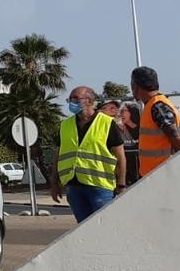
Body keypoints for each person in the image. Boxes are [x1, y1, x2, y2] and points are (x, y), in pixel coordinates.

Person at [51, 86, 126, 222]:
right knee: (83, 229)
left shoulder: (107, 123)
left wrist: (121, 184)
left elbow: (120, 156)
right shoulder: (65, 125)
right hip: (74, 187)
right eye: (70, 99)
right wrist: (54, 183)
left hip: (100, 187)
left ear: (90, 101)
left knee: (103, 226)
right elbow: (57, 155)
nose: (71, 103)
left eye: (76, 99)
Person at [130, 66, 180, 179]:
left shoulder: (157, 106)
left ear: (136, 85)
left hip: (162, 175)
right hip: (155, 174)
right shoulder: (154, 105)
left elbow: (177, 140)